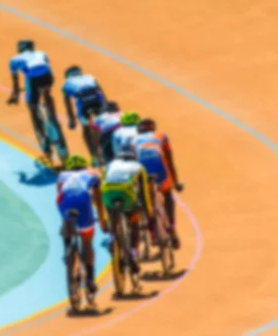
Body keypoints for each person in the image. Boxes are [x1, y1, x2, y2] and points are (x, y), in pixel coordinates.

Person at [57, 154, 105, 302]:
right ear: (84, 167)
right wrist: (102, 219)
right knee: (87, 241)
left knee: (66, 222)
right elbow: (98, 199)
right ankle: (90, 279)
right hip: (83, 200)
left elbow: (59, 196)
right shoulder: (92, 173)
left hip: (64, 202)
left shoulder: (62, 175)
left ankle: (67, 249)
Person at [101, 143, 155, 274]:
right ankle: (133, 252)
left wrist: (106, 219)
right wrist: (149, 215)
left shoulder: (108, 166)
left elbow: (102, 184)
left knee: (111, 209)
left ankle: (113, 239)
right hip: (126, 192)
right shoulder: (139, 167)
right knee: (134, 219)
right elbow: (145, 195)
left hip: (107, 193)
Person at [132, 118, 184, 249]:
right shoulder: (161, 136)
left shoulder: (134, 140)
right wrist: (176, 182)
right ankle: (171, 226)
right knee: (167, 195)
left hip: (142, 169)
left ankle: (153, 233)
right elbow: (169, 160)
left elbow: (133, 164)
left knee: (146, 199)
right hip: (159, 167)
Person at [7, 39, 61, 155]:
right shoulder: (41, 53)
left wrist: (15, 95)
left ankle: (43, 137)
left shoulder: (14, 60)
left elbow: (16, 82)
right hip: (47, 77)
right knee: (46, 92)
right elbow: (48, 68)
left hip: (33, 79)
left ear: (19, 50)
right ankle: (52, 114)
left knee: (32, 107)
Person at [62, 65, 107, 166]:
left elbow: (67, 103)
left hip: (84, 104)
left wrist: (71, 119)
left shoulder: (66, 83)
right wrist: (106, 107)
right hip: (97, 100)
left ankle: (93, 156)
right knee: (104, 122)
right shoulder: (90, 77)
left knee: (86, 127)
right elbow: (101, 92)